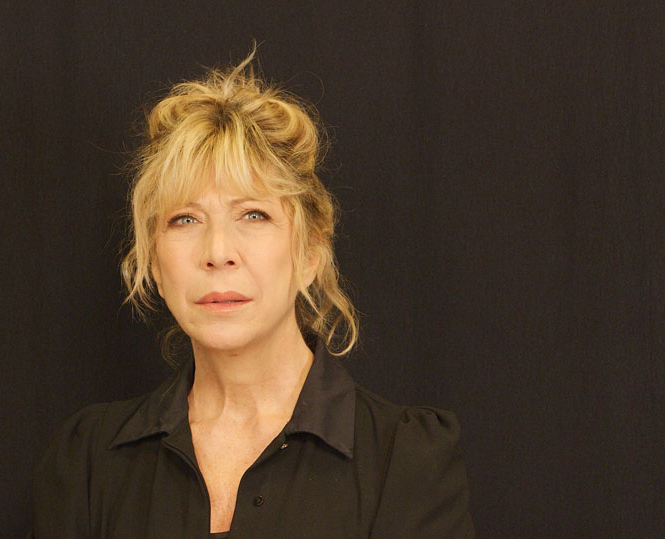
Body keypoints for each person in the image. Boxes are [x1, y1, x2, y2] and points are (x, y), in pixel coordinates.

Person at [31, 51, 474, 538]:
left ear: (311, 252)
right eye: (185, 219)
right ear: (153, 261)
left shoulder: (406, 460)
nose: (218, 252)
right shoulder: (89, 460)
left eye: (253, 215)